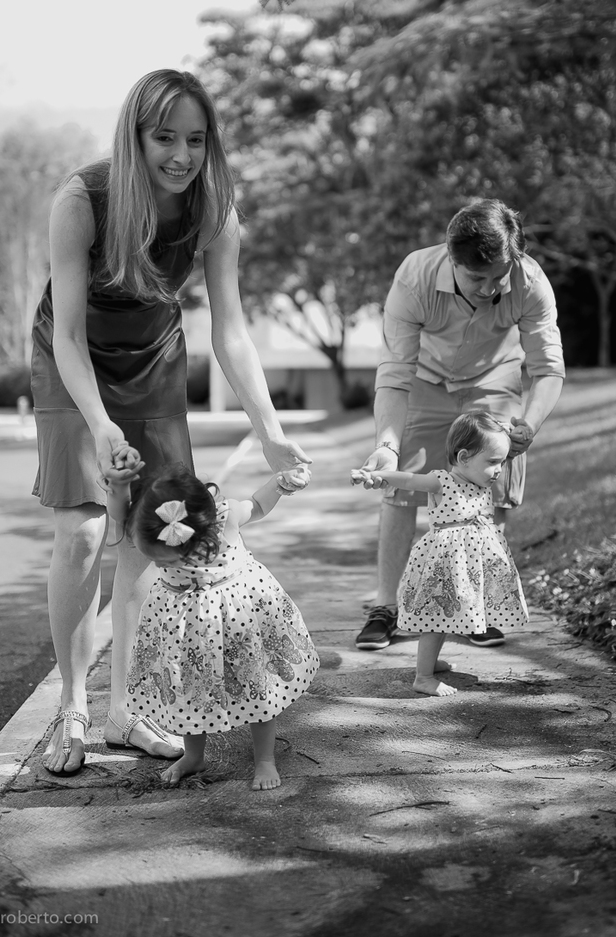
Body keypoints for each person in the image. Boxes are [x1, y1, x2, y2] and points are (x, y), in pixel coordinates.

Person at [32, 68, 310, 776]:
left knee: (149, 535)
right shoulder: (83, 200)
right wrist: (100, 425)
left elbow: (232, 332)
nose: (182, 155)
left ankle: (126, 709)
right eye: (165, 138)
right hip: (73, 361)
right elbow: (67, 334)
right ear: (135, 138)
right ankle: (73, 707)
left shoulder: (214, 210)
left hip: (153, 361)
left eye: (196, 139)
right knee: (83, 530)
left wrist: (271, 433)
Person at [354, 198, 564, 652]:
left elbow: (548, 368)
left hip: (493, 380)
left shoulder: (530, 284)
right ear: (453, 259)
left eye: (498, 276)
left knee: (490, 485)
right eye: (477, 277)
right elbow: (394, 373)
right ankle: (386, 607)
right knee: (402, 486)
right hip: (425, 379)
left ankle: (477, 608)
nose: (490, 289)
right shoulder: (414, 278)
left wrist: (530, 423)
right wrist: (387, 446)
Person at [102, 456, 318, 790]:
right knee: (189, 690)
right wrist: (117, 487)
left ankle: (264, 759)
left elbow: (258, 504)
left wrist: (279, 482)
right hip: (186, 626)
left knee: (254, 684)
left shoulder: (224, 518)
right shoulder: (146, 522)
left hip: (237, 617)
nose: (156, 564)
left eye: (163, 560)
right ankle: (194, 756)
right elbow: (119, 515)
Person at [352, 412, 528, 694]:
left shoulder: (481, 484)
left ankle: (430, 663)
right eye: (493, 462)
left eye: (502, 462)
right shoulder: (442, 482)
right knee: (435, 621)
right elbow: (409, 480)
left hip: (466, 569)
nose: (498, 470)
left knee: (447, 619)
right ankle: (423, 677)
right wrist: (377, 475)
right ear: (464, 457)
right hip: (445, 566)